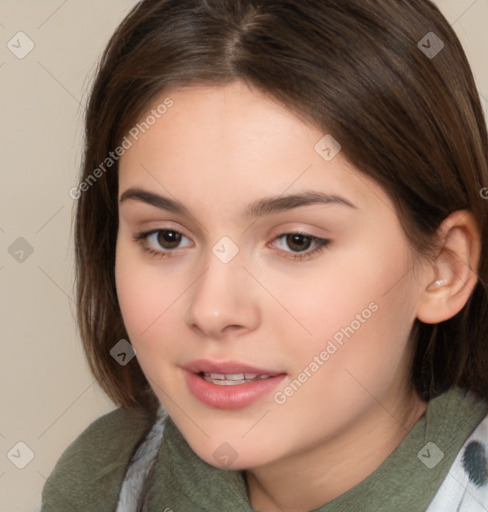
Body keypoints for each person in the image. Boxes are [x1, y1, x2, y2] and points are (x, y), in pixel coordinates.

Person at [41, 0, 488, 510]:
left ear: (444, 269)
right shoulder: (105, 482)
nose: (212, 310)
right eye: (166, 237)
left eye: (297, 241)